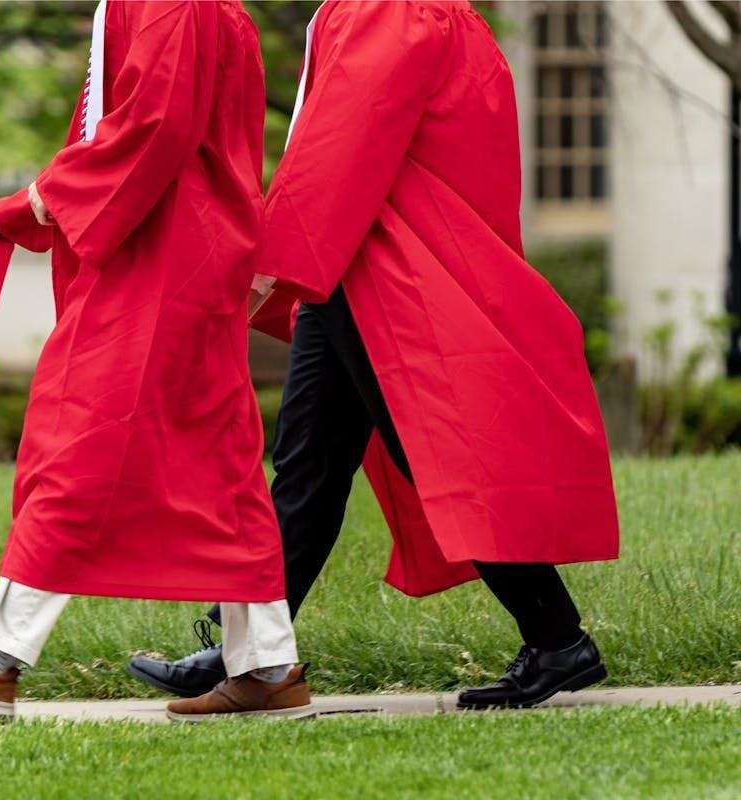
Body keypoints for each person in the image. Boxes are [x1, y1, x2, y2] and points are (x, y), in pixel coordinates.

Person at [129, 0, 620, 712]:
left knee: (432, 457)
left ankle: (556, 637)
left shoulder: (390, 10)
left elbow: (340, 144)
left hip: (384, 267)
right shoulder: (408, 13)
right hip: (355, 266)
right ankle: (251, 656)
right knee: (307, 466)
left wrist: (267, 262)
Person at [0, 0, 313, 722]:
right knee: (220, 461)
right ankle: (268, 666)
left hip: (164, 253)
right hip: (194, 246)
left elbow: (152, 126)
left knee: (80, 439)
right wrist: (33, 203)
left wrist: (41, 200)